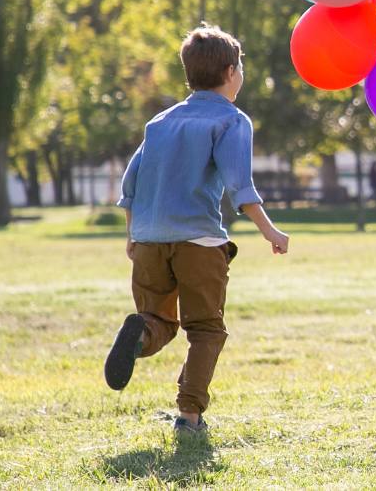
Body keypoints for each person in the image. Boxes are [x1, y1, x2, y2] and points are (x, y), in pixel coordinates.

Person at [103, 25, 292, 435]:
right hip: (198, 241)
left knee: (158, 321)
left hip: (150, 240)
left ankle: (139, 335)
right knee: (205, 329)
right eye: (240, 67)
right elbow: (240, 186)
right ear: (229, 72)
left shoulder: (161, 122)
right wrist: (271, 232)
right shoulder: (231, 120)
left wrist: (132, 235)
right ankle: (189, 416)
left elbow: (130, 184)